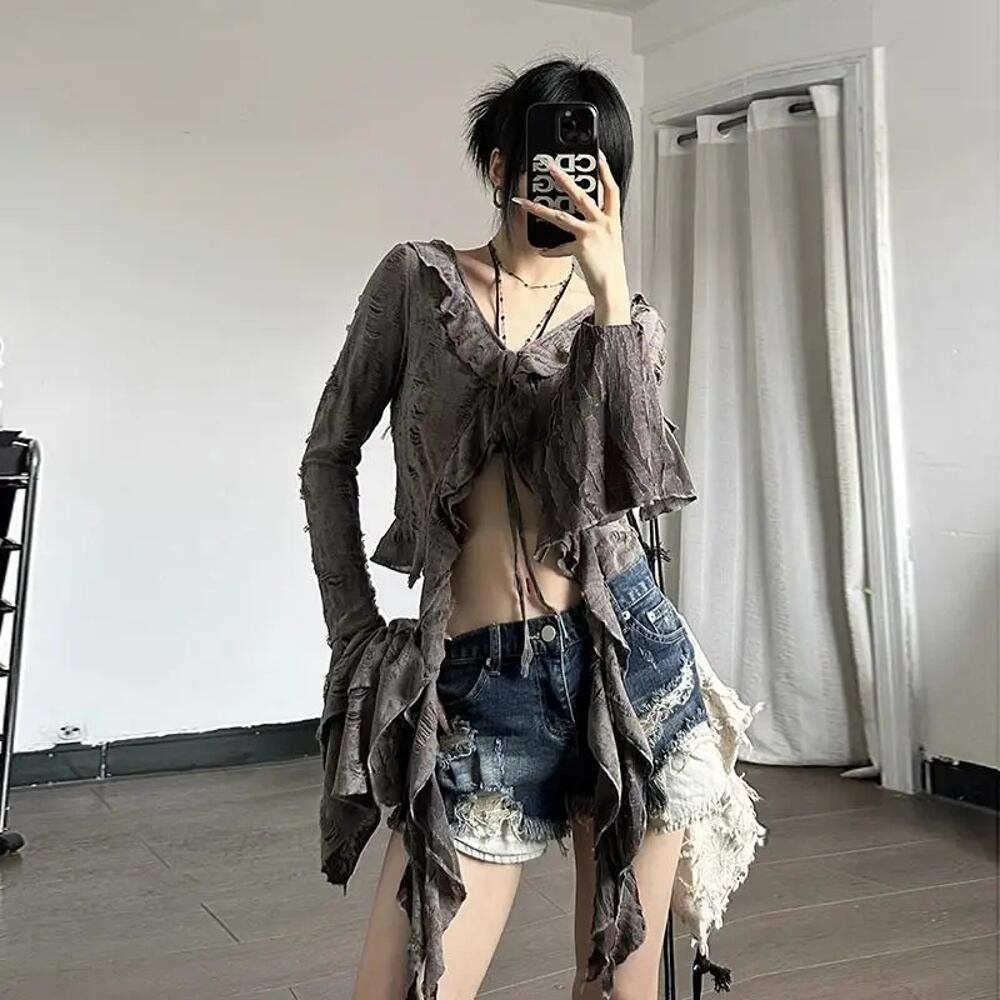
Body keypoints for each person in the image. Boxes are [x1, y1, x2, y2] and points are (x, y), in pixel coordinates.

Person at [298, 56, 765, 1000]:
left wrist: (610, 298)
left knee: (617, 987)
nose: (571, 181)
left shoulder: (628, 320)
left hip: (628, 670)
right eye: (551, 158)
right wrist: (353, 630)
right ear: (502, 166)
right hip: (482, 685)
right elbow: (328, 455)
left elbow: (636, 484)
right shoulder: (416, 282)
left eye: (595, 166)